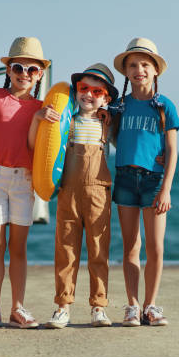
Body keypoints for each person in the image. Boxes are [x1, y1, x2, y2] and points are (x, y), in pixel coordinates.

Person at [28, 64, 118, 328]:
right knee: (66, 249)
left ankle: (98, 306)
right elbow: (38, 147)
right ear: (76, 90)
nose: (89, 95)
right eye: (83, 88)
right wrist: (39, 119)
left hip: (98, 192)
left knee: (99, 250)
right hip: (69, 192)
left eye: (97, 91)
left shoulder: (107, 123)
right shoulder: (66, 122)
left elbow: (127, 144)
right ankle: (63, 306)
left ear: (106, 98)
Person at [0, 37, 50, 329]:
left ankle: (18, 307)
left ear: (40, 74)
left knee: (18, 249)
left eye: (32, 69)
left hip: (23, 181)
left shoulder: (42, 109)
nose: (24, 74)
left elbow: (48, 147)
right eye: (18, 67)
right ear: (8, 70)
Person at [111, 37, 179, 326]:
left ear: (155, 70)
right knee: (131, 246)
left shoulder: (164, 105)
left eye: (144, 64)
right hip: (125, 178)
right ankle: (132, 305)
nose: (139, 69)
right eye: (133, 65)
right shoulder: (119, 106)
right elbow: (115, 137)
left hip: (153, 182)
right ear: (126, 72)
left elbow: (173, 149)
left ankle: (151, 305)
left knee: (155, 247)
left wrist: (166, 188)